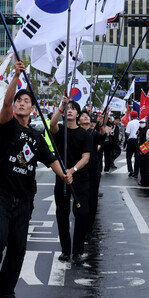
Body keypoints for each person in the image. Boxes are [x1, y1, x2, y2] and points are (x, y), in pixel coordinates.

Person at [0, 61, 71, 298]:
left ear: (32, 108)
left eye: (26, 101)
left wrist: (65, 175)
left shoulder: (36, 137)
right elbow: (5, 105)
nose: (21, 103)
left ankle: (5, 291)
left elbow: (51, 160)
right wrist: (16, 76)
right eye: (19, 99)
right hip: (0, 194)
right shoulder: (8, 127)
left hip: (24, 200)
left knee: (18, 249)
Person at [49, 97, 92, 264]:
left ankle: (78, 251)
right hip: (62, 177)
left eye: (73, 108)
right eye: (67, 108)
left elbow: (86, 157)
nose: (70, 110)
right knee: (62, 214)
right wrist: (61, 105)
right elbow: (52, 125)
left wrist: (72, 170)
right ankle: (65, 250)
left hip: (80, 178)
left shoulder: (84, 134)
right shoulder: (59, 130)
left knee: (81, 213)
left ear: (78, 114)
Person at [125, 111, 141, 177]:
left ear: (131, 116)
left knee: (128, 156)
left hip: (131, 140)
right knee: (137, 157)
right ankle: (136, 173)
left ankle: (130, 170)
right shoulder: (140, 123)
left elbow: (127, 133)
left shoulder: (130, 123)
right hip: (137, 141)